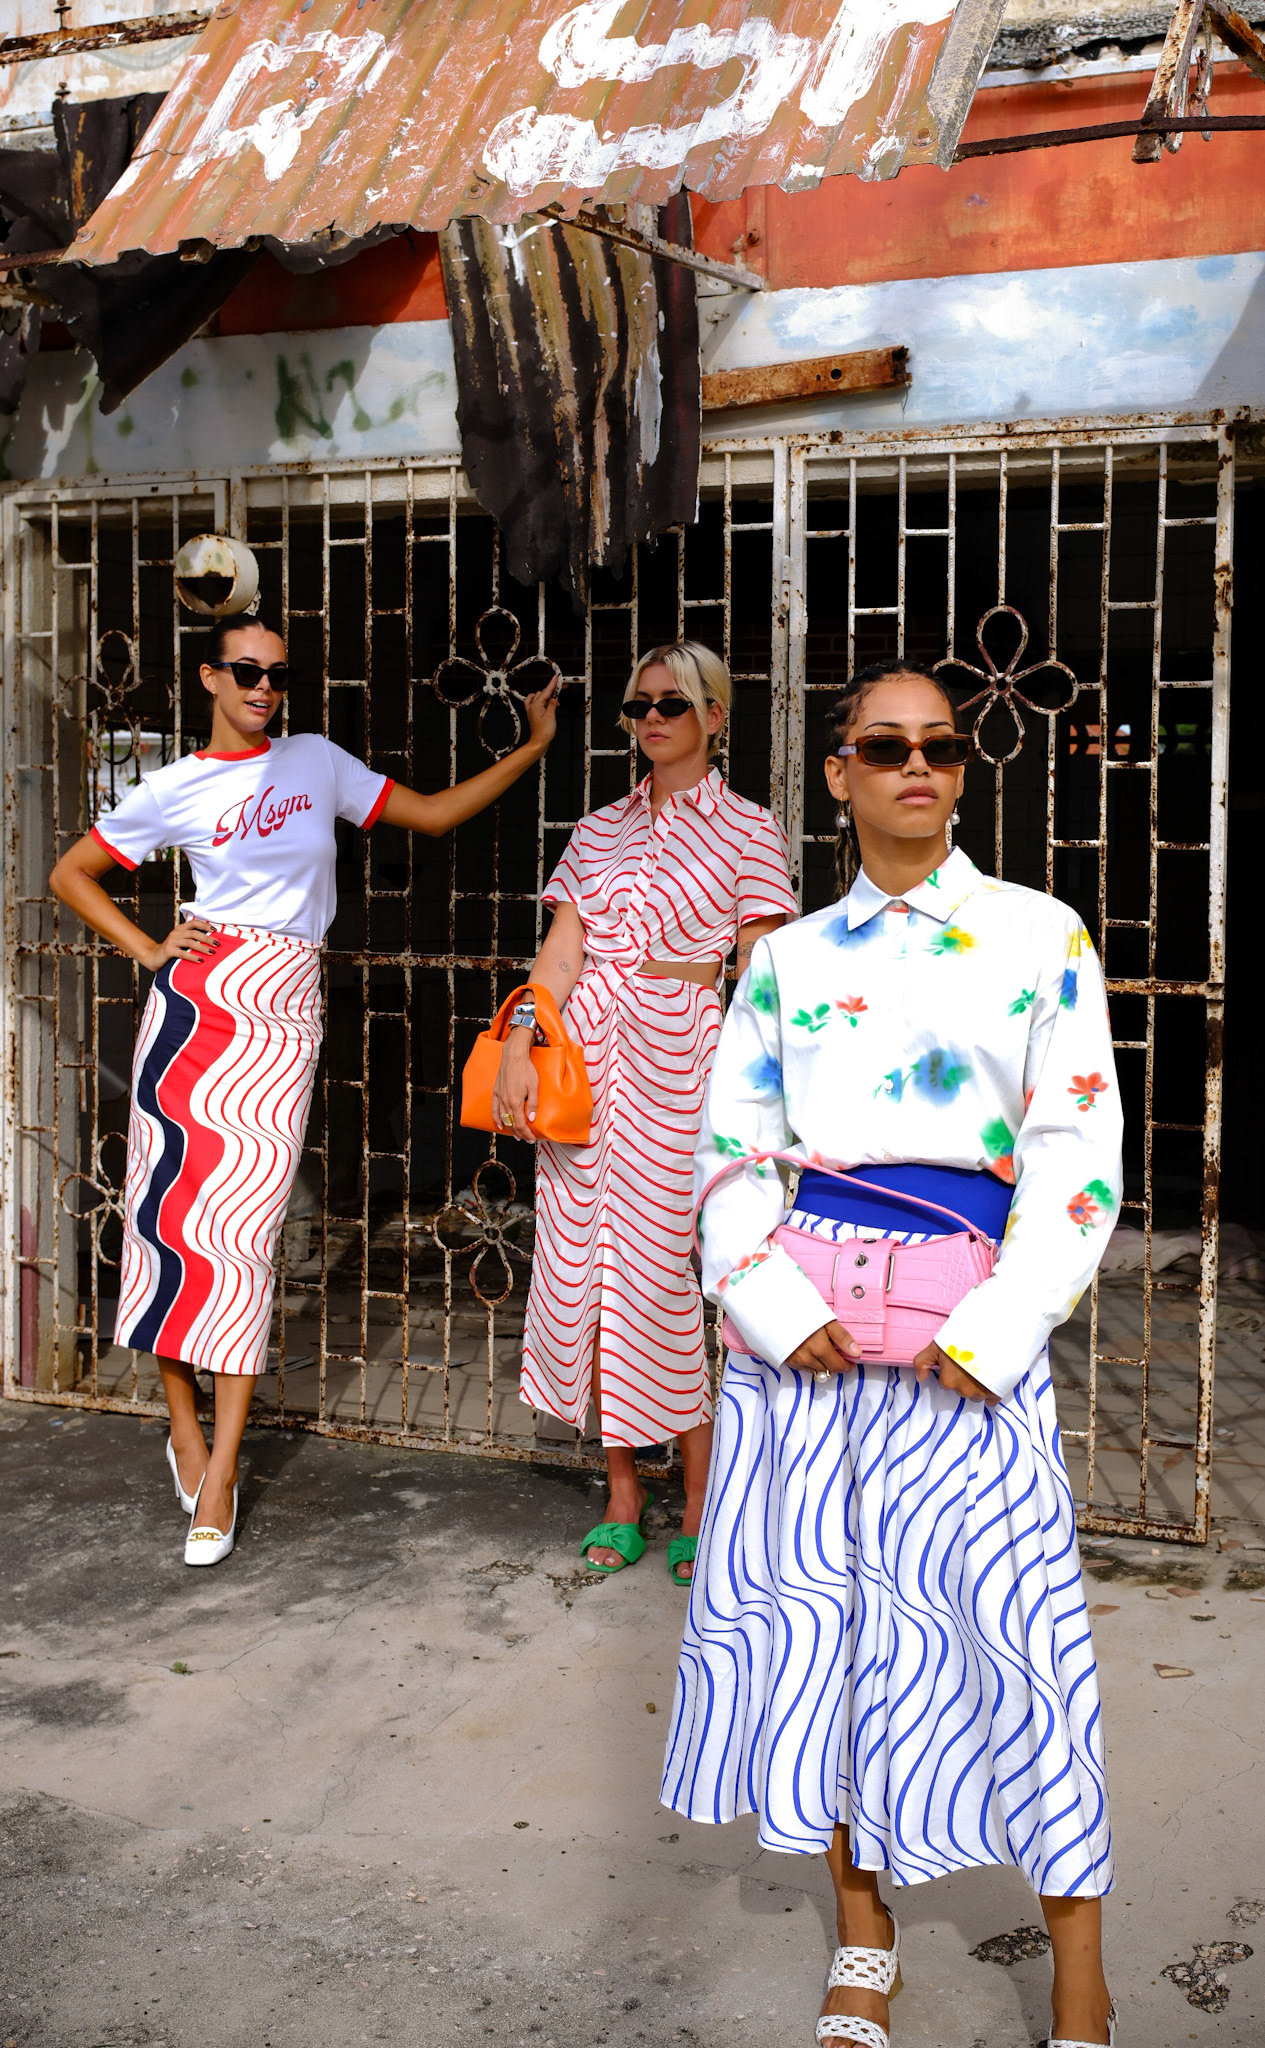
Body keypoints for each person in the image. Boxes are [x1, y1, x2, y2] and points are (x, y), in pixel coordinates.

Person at [661, 659, 1123, 2048]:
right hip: (803, 1355)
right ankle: (862, 1935)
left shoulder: (1040, 933)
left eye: (941, 744)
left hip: (969, 1349)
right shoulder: (787, 960)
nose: (916, 764)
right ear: (838, 773)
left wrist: (1003, 1322)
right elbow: (731, 1152)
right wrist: (763, 1300)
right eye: (885, 744)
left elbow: (1076, 1152)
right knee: (831, 1638)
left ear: (961, 771)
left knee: (1023, 1648)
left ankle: (1083, 1979)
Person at [50, 614, 557, 1566]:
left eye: (278, 675)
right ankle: (186, 1433)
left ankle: (225, 1468)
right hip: (195, 1012)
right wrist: (150, 949)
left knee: (243, 1243)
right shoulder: (174, 785)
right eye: (246, 671)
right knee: (170, 1229)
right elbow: (71, 873)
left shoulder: (316, 761)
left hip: (283, 1011)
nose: (264, 688)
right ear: (210, 676)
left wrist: (532, 746)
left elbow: (433, 815)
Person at [494, 642, 797, 1582]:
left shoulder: (749, 829)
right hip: (585, 1071)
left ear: (715, 715)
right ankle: (622, 1492)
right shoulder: (597, 830)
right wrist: (518, 1041)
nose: (652, 718)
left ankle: (702, 1500)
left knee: (667, 1279)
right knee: (586, 1274)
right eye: (638, 705)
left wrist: (756, 1091)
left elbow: (762, 971)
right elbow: (560, 956)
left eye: (673, 702)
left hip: (683, 1069)